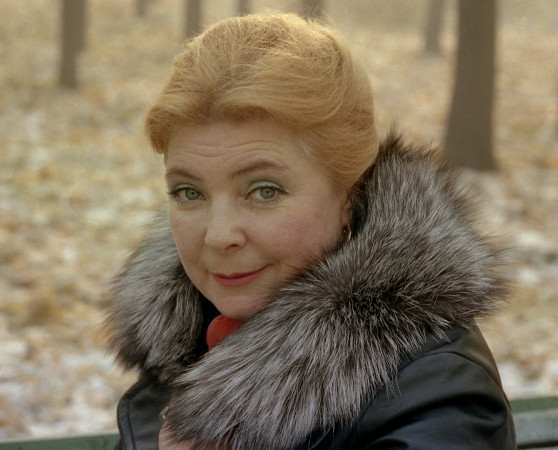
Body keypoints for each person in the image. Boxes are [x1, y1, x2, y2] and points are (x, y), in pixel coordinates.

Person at [107, 12, 516, 449]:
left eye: (264, 191)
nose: (218, 235)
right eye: (189, 193)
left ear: (350, 195)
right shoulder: (185, 342)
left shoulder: (438, 393)